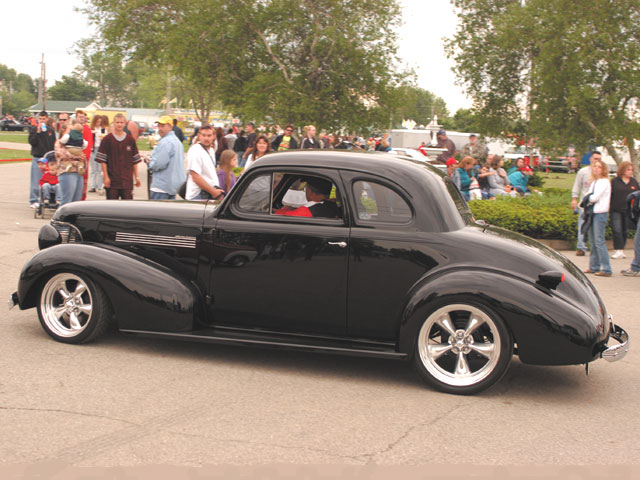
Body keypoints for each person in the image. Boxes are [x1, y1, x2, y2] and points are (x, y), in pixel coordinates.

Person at [96, 113, 142, 200]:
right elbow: (103, 161)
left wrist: (137, 177)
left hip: (127, 181)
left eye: (121, 122)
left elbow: (134, 161)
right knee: (112, 208)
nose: (119, 124)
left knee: (128, 207)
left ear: (125, 124)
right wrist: (106, 177)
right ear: (113, 123)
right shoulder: (107, 140)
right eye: (117, 122)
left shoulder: (130, 140)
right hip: (112, 180)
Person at [583, 160, 612, 277]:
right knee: (593, 241)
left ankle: (606, 268)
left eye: (599, 167)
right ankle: (594, 266)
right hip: (593, 212)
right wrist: (587, 198)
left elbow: (594, 197)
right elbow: (587, 195)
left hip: (600, 213)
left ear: (603, 169)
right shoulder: (594, 181)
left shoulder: (604, 182)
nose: (596, 169)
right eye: (595, 167)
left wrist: (587, 199)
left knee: (599, 241)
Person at [146, 115, 186, 200]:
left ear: (170, 127)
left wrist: (149, 163)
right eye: (159, 126)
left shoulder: (166, 142)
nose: (160, 128)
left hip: (161, 187)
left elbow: (158, 164)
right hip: (173, 187)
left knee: (157, 212)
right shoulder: (177, 142)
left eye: (163, 126)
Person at [571, 151, 601, 256]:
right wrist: (574, 199)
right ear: (591, 159)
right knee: (582, 225)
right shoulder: (583, 172)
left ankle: (594, 247)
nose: (597, 161)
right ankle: (581, 247)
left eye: (599, 159)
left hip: (597, 205)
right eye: (595, 158)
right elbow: (577, 186)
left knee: (595, 227)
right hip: (584, 204)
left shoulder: (601, 173)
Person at [185, 124, 225, 201]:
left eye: (209, 135)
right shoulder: (195, 150)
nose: (206, 138)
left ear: (214, 136)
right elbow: (196, 177)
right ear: (199, 136)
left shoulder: (211, 151)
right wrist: (214, 192)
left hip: (208, 194)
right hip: (198, 196)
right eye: (203, 135)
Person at [610, 161, 639, 259]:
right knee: (617, 229)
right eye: (628, 170)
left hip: (628, 211)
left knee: (625, 230)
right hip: (616, 209)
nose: (630, 172)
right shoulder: (615, 181)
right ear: (623, 170)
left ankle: (621, 249)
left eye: (632, 170)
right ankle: (618, 250)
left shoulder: (634, 182)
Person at [27, 111, 56, 208]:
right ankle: (33, 200)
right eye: (40, 119)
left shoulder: (50, 130)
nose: (42, 121)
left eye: (44, 119)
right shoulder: (34, 129)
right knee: (36, 180)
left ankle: (48, 198)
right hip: (38, 158)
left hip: (47, 158)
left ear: (47, 119)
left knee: (48, 179)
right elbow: (32, 142)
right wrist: (37, 132)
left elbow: (53, 144)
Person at [75, 111, 94, 201]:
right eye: (79, 117)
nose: (82, 119)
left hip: (83, 159)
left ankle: (82, 199)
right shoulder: (73, 129)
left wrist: (84, 157)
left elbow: (89, 145)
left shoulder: (87, 129)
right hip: (73, 158)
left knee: (84, 180)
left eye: (83, 117)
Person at [88, 115, 108, 192]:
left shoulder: (103, 130)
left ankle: (100, 186)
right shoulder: (91, 130)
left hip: (100, 149)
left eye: (100, 122)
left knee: (100, 169)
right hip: (93, 149)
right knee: (93, 169)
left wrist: (102, 137)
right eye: (97, 122)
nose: (98, 123)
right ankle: (93, 186)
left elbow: (105, 137)